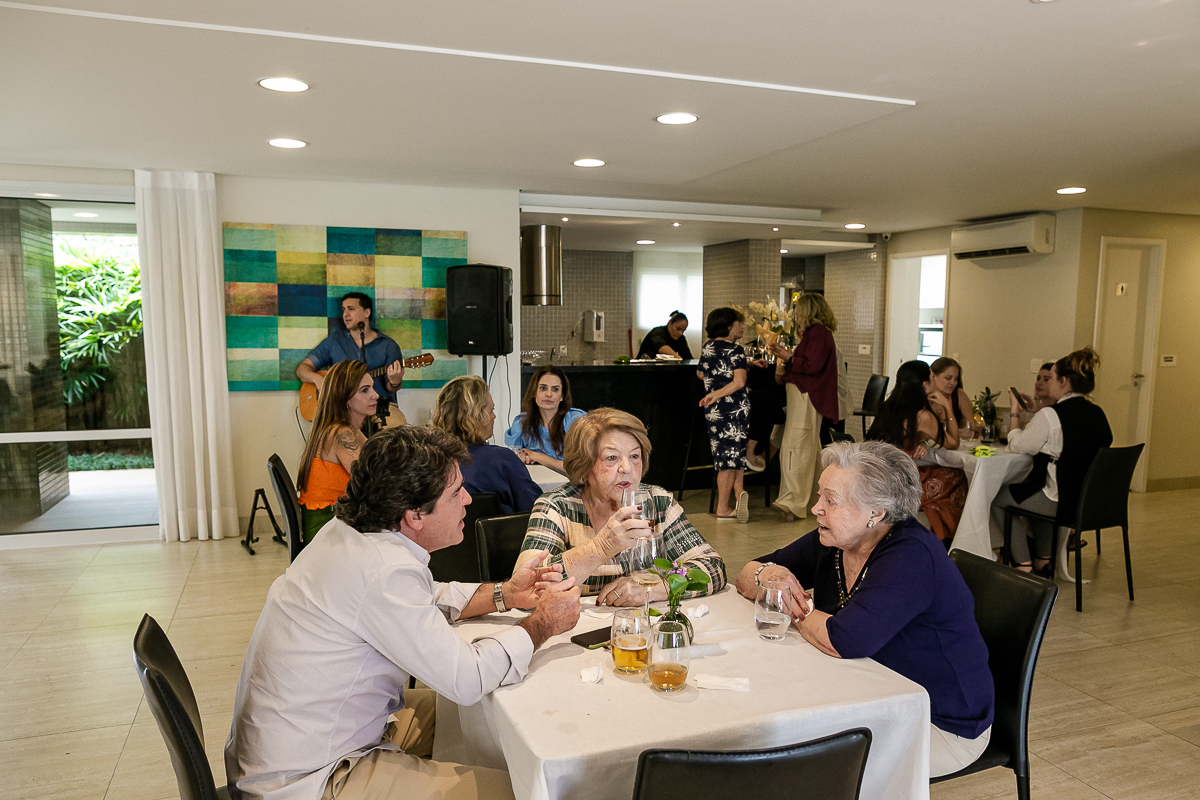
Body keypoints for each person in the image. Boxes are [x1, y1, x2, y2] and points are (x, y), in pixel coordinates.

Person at [225, 426, 582, 800]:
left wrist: (506, 593)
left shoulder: (348, 534)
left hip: (299, 743)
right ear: (414, 515)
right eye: (456, 493)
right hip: (310, 778)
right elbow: (466, 678)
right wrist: (543, 623)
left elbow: (423, 597)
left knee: (486, 722)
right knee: (519, 790)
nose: (468, 500)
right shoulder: (384, 570)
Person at [735, 440, 994, 778]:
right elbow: (745, 575)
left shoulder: (911, 556)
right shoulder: (836, 538)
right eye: (819, 496)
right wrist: (767, 573)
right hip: (869, 693)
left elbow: (845, 640)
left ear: (876, 513)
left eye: (831, 501)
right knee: (769, 725)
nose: (816, 509)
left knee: (806, 764)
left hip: (937, 719)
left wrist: (790, 603)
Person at [516, 407, 727, 604]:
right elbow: (526, 586)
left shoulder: (658, 501)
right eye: (612, 458)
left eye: (634, 456)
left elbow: (713, 568)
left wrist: (653, 589)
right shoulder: (555, 507)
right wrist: (600, 548)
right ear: (584, 465)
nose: (626, 468)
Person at [993, 347, 1112, 575]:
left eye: (1053, 378)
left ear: (1063, 381)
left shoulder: (1052, 415)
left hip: (1061, 501)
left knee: (998, 497)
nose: (1049, 383)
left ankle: (1022, 563)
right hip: (1088, 502)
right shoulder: (1098, 414)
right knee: (1039, 488)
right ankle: (1043, 559)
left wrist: (1015, 413)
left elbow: (1019, 445)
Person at [867, 360, 965, 546]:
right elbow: (953, 443)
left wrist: (922, 441)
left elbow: (904, 436)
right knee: (956, 476)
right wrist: (948, 407)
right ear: (924, 385)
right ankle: (947, 539)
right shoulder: (922, 415)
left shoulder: (887, 408)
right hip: (902, 480)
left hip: (880, 473)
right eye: (931, 378)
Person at [768, 293, 840, 522]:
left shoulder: (818, 334)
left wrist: (789, 357)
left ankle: (792, 501)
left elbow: (812, 365)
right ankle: (813, 498)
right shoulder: (817, 334)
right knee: (808, 446)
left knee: (796, 446)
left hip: (806, 394)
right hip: (804, 393)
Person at [432, 375, 543, 514]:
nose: (494, 416)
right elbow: (538, 511)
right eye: (491, 410)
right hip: (502, 534)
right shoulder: (502, 460)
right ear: (476, 416)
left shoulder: (430, 462)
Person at [296, 360, 376, 542]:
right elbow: (370, 479)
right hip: (327, 530)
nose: (376, 395)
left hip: (335, 521)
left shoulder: (347, 429)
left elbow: (376, 459)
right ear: (344, 398)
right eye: (365, 390)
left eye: (372, 388)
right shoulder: (340, 433)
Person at [296, 292, 404, 415]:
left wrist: (395, 381)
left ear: (367, 312)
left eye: (351, 309)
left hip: (381, 406)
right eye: (343, 310)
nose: (345, 314)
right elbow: (302, 369)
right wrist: (318, 379)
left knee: (396, 426)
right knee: (337, 430)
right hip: (345, 407)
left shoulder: (388, 345)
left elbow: (391, 387)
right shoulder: (335, 341)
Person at [697, 307, 751, 521]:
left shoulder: (708, 347)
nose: (742, 326)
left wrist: (714, 387)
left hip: (714, 411)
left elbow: (700, 373)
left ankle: (739, 497)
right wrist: (719, 393)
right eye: (739, 323)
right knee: (733, 456)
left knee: (729, 455)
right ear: (729, 326)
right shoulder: (736, 350)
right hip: (735, 407)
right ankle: (723, 507)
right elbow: (739, 382)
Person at [504, 365, 585, 475]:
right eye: (543, 388)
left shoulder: (575, 421)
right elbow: (511, 464)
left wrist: (539, 457)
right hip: (535, 485)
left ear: (562, 396)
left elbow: (581, 470)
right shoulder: (521, 424)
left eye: (555, 389)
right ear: (534, 392)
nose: (548, 394)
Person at [929, 357, 976, 436]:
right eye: (948, 378)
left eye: (955, 379)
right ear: (933, 376)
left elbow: (973, 426)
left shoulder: (958, 395)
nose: (953, 383)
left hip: (953, 444)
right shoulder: (925, 395)